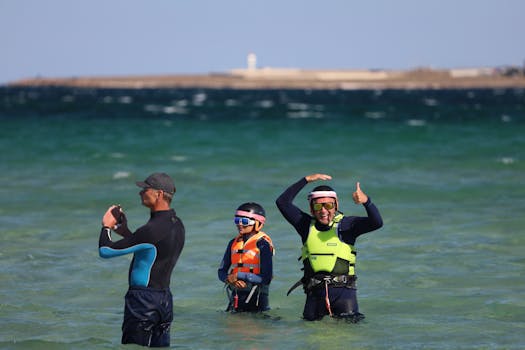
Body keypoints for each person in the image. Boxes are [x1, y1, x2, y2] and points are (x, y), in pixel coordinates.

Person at [275, 173, 383, 322]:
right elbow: (282, 202)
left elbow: (376, 222)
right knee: (311, 340)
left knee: (348, 340)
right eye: (318, 206)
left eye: (328, 205)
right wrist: (306, 180)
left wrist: (366, 201)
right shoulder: (305, 225)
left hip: (344, 296)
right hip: (314, 297)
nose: (323, 211)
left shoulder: (347, 226)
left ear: (336, 205)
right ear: (312, 209)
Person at [98, 172, 185, 347]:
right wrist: (125, 232)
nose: (140, 193)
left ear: (159, 194)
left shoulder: (151, 229)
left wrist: (106, 226)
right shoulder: (177, 224)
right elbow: (150, 250)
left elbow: (106, 251)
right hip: (164, 300)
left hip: (143, 302)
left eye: (145, 189)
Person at [218, 202, 275, 313]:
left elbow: (266, 278)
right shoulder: (232, 243)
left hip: (257, 301)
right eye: (237, 221)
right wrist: (229, 279)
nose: (239, 224)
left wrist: (239, 275)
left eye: (244, 221)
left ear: (258, 223)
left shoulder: (263, 245)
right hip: (236, 299)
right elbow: (221, 271)